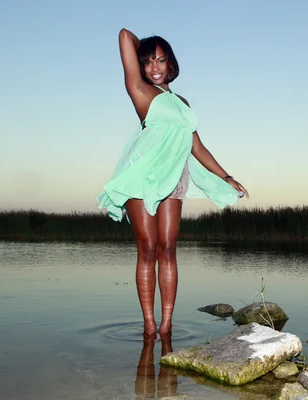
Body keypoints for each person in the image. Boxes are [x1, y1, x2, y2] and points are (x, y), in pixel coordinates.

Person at [97, 28, 248, 335]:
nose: (155, 67)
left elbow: (197, 146)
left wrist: (226, 176)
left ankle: (166, 325)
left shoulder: (181, 100)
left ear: (171, 64)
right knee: (148, 247)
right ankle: (149, 325)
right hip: (143, 177)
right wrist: (144, 54)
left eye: (161, 60)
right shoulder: (139, 89)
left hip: (175, 177)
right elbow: (125, 36)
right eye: (149, 61)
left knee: (168, 248)